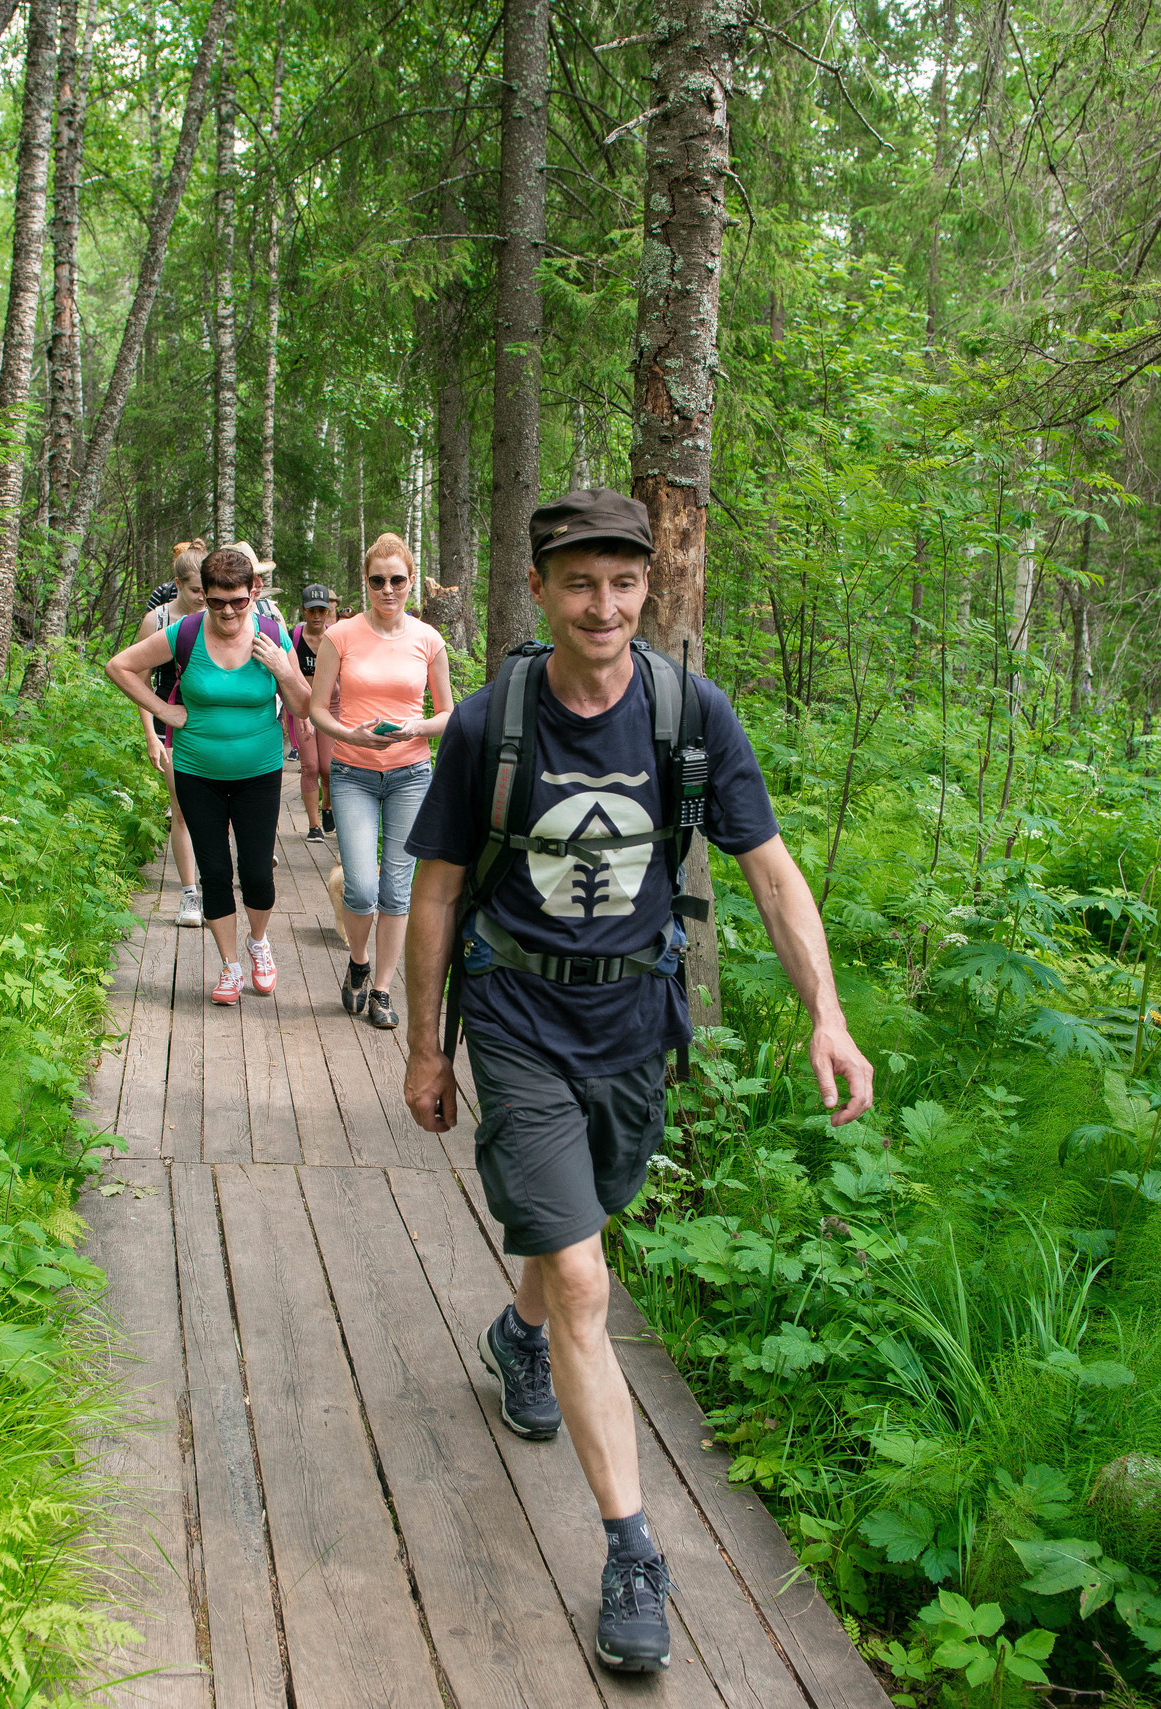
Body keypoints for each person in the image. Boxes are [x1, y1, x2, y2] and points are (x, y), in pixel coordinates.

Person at [400, 488, 874, 1676]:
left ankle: (519, 1338)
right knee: (584, 1275)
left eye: (621, 581)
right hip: (516, 1017)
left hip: (632, 1023)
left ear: (646, 585)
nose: (601, 604)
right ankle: (631, 1549)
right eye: (577, 583)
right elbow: (438, 890)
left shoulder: (687, 713)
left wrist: (827, 1011)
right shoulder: (484, 724)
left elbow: (766, 867)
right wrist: (424, 1044)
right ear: (539, 590)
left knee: (573, 1239)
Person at [108, 545, 310, 1004]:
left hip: (259, 772)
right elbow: (119, 666)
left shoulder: (272, 634)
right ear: (207, 598)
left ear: (251, 595)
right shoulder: (187, 632)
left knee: (256, 871)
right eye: (216, 601)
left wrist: (285, 669)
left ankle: (258, 944)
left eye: (238, 602)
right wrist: (163, 712)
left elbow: (301, 706)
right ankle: (230, 967)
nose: (227, 612)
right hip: (197, 771)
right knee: (215, 871)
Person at [310, 534, 452, 1030]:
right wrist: (352, 734)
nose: (387, 589)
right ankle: (359, 960)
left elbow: (448, 715)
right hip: (353, 774)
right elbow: (315, 708)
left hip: (411, 774)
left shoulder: (428, 640)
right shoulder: (340, 637)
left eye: (397, 580)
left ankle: (383, 989)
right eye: (377, 580)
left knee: (398, 890)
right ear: (365, 582)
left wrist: (414, 727)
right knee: (362, 887)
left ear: (411, 582)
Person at [136, 542, 208, 927]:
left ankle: (215, 884)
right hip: (171, 727)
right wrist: (151, 731)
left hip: (211, 724)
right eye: (196, 590)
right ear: (178, 585)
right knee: (181, 810)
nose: (203, 597)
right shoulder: (158, 621)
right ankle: (190, 895)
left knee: (216, 812)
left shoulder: (217, 616)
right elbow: (137, 679)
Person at [289, 585, 338, 843]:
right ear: (304, 611)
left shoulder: (337, 636)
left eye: (321, 610)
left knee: (329, 768)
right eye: (311, 611)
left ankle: (327, 806)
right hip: (303, 706)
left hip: (333, 706)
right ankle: (314, 825)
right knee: (310, 766)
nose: (317, 616)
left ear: (328, 611)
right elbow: (286, 673)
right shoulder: (294, 637)